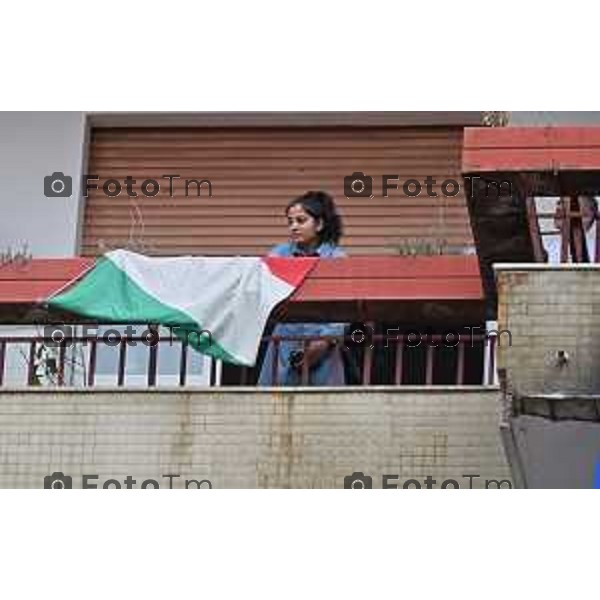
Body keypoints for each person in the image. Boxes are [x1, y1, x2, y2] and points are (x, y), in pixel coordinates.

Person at [258, 191, 346, 386]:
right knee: (274, 402)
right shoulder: (279, 254)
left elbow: (343, 307)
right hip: (284, 338)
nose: (294, 227)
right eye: (290, 222)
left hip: (324, 341)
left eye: (300, 220)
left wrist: (325, 341)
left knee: (325, 406)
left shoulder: (336, 258)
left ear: (320, 224)